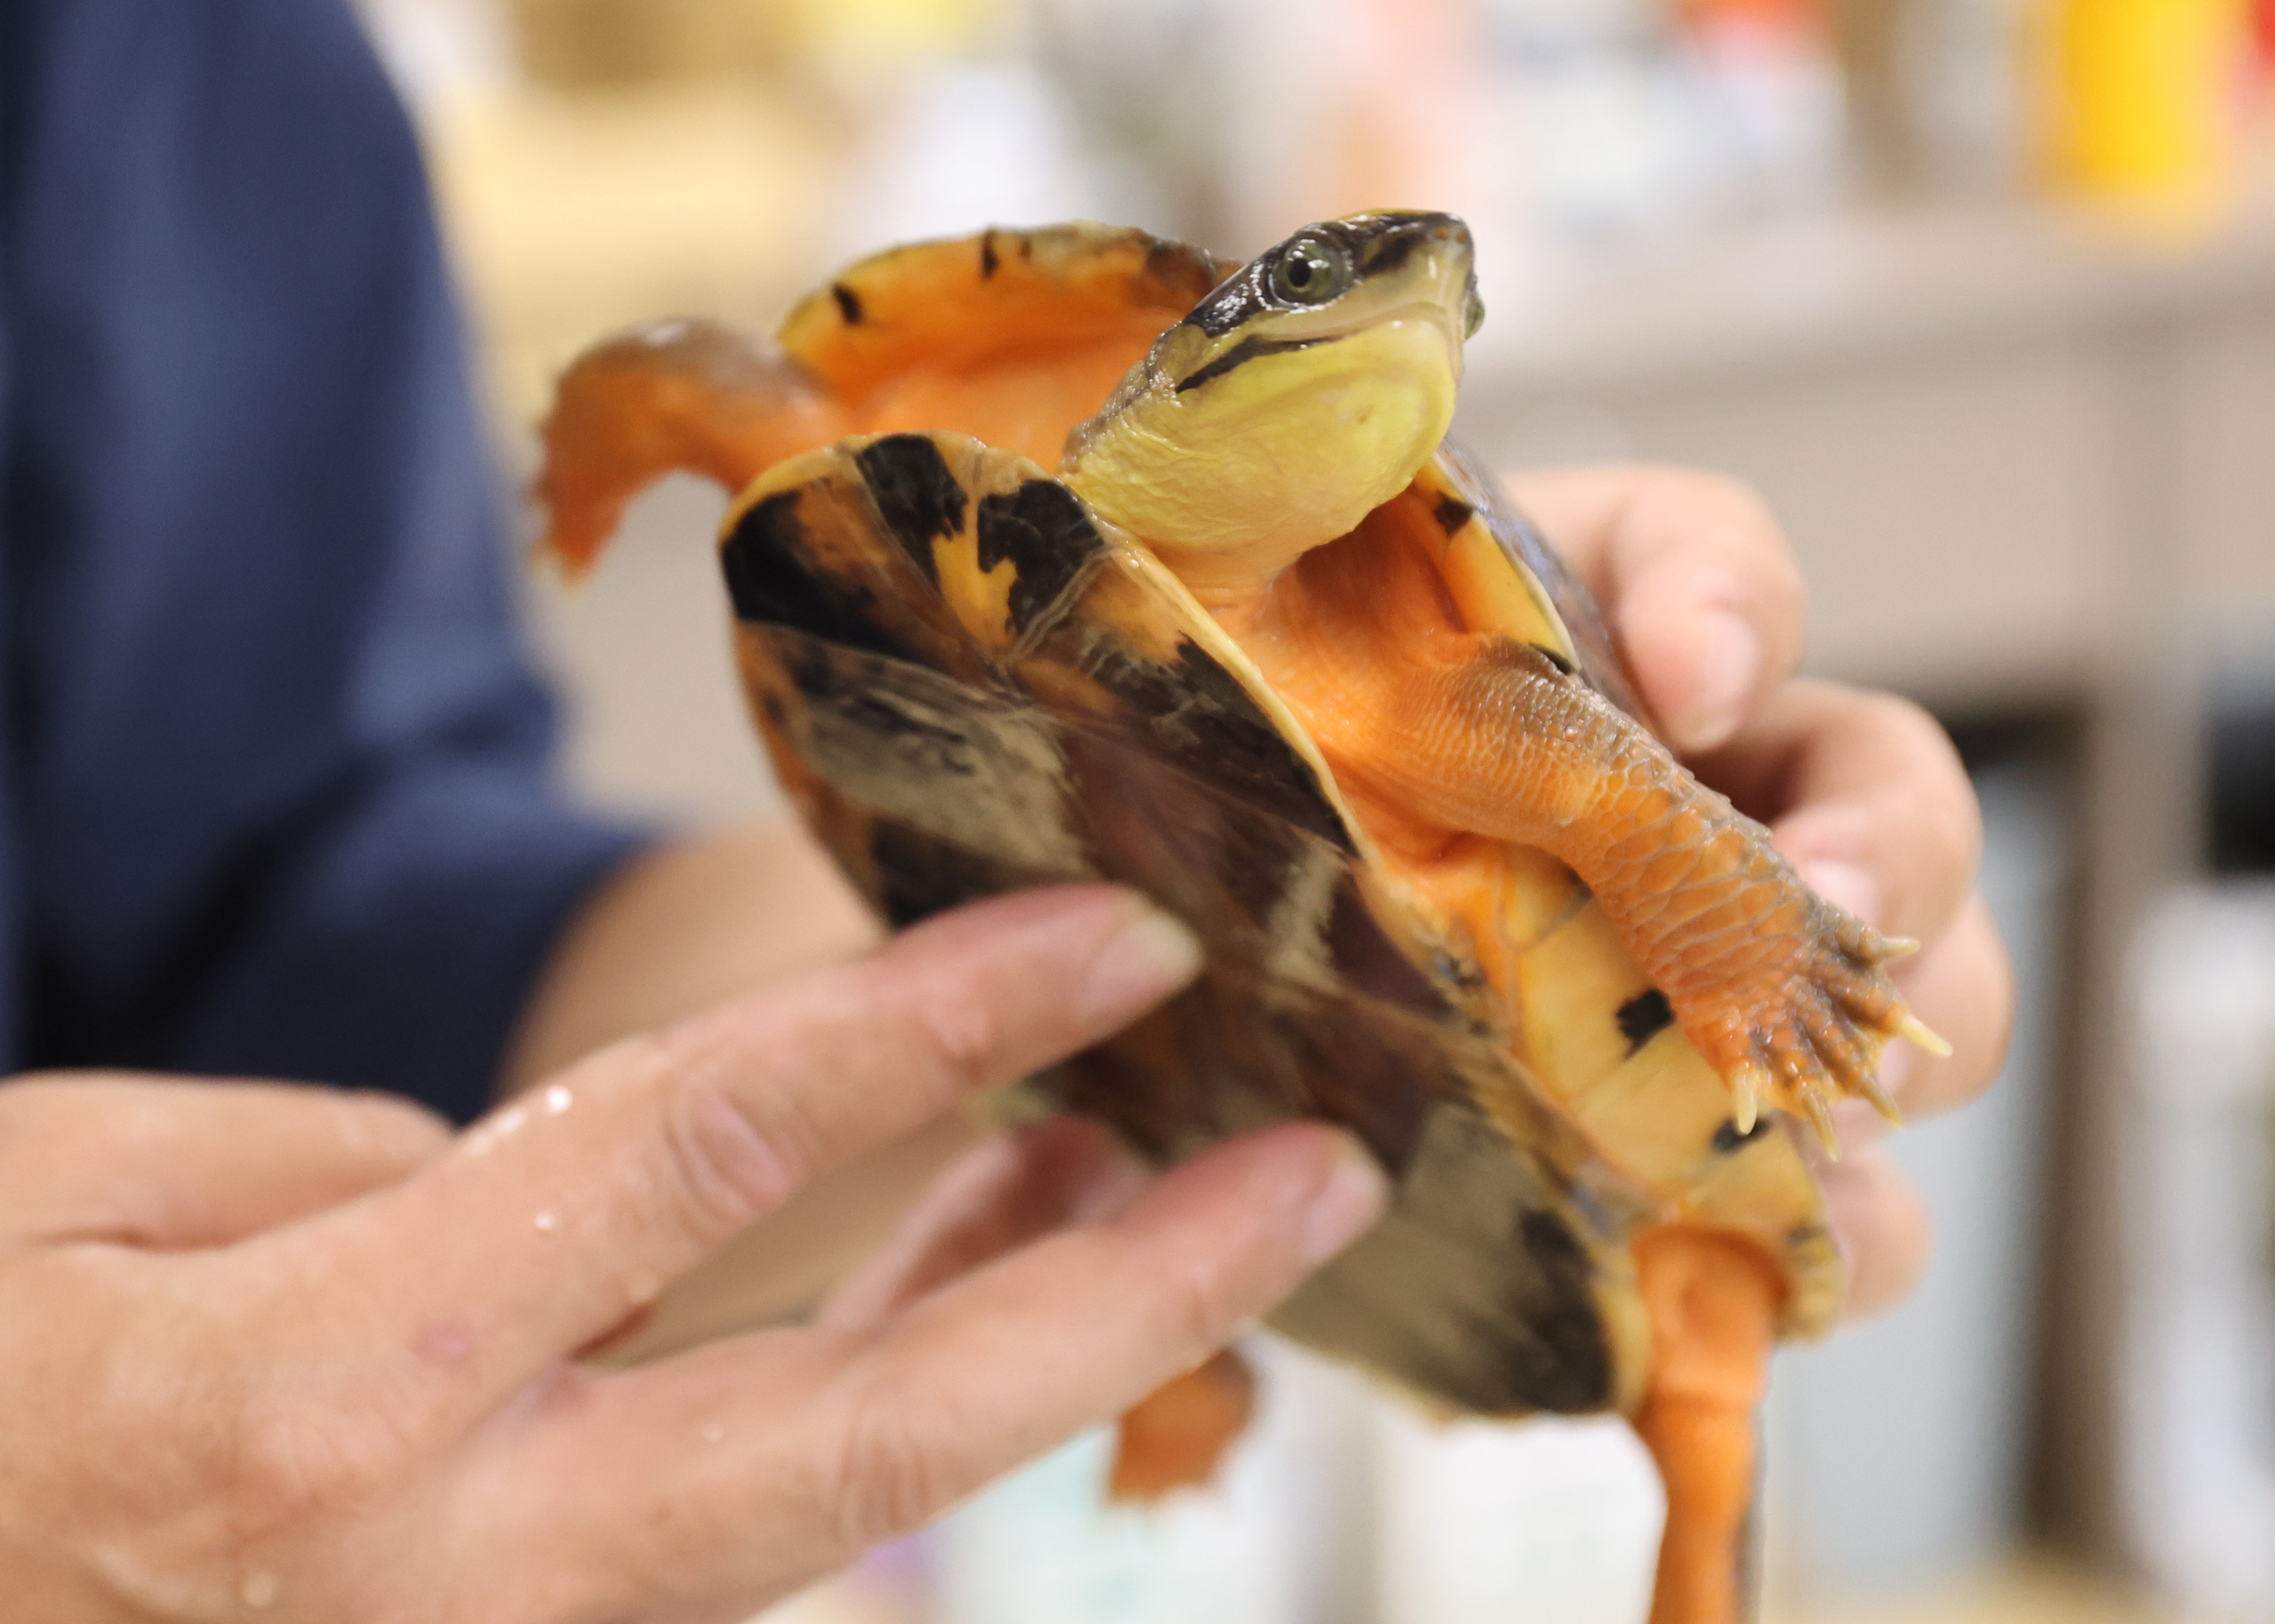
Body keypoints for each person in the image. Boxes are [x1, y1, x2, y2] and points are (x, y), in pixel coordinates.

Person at [0, 2, 2012, 1620]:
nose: (1396, 295)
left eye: (1428, 306)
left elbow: (305, 903)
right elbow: (735, 398)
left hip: (1322, 1027)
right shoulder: (994, 432)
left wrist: (1762, 926)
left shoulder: (154, 68)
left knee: (1705, 1396)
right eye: (1322, 278)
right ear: (1193, 358)